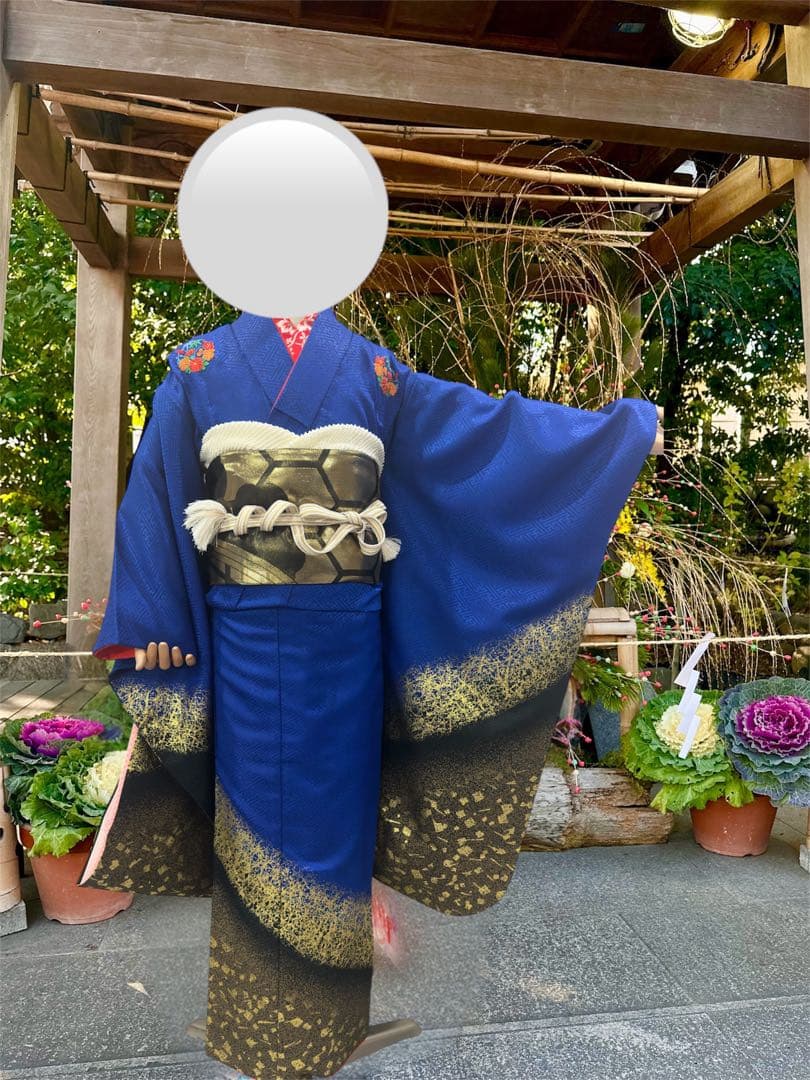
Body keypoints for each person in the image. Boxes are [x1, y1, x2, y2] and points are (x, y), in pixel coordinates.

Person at [77, 300, 661, 1078]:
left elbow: (488, 439)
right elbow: (157, 499)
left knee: (335, 829)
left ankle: (326, 1023)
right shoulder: (196, 369)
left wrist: (618, 433)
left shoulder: (377, 374)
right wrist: (153, 618)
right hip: (241, 638)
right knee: (252, 830)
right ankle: (258, 1025)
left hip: (345, 648)